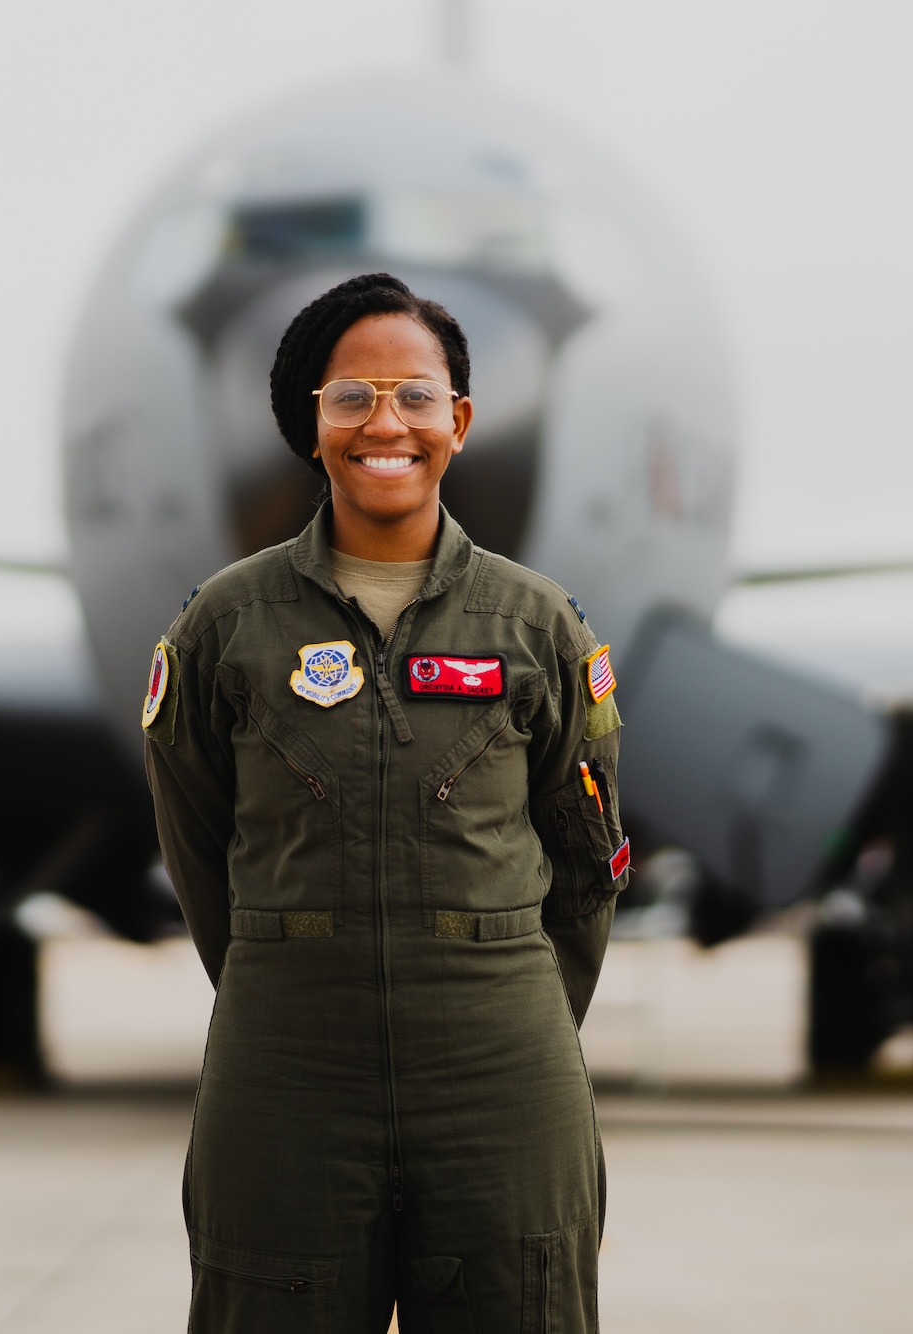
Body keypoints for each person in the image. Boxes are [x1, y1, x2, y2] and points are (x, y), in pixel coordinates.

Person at [142, 272, 629, 1333]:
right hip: (286, 1077)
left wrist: (511, 1009)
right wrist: (296, 978)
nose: (385, 423)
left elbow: (584, 863)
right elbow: (198, 845)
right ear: (308, 426)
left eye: (414, 395)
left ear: (457, 420)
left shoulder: (536, 625)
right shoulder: (224, 627)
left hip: (500, 1069)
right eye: (350, 396)